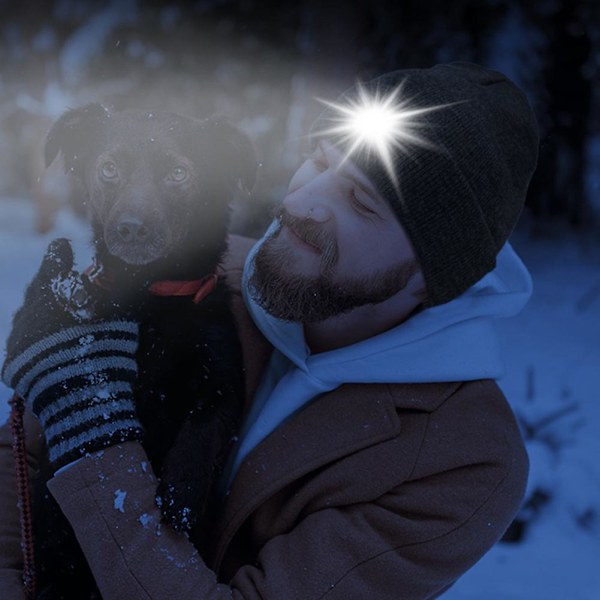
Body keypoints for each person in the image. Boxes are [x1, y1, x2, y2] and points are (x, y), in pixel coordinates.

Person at [0, 61, 539, 599]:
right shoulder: (194, 277)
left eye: (361, 202)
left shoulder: (464, 460)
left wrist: (92, 435)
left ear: (434, 275)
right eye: (319, 162)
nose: (302, 202)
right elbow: (19, 456)